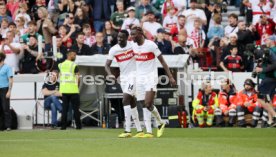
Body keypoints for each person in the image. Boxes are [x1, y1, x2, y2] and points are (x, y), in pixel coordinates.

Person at [130, 26, 176, 138]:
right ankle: (150, 131)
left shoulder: (151, 45)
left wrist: (170, 77)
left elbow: (163, 62)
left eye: (133, 34)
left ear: (140, 33)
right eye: (131, 34)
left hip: (151, 77)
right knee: (143, 104)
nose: (132, 37)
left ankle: (160, 123)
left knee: (148, 103)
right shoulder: (133, 46)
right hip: (139, 78)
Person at [105, 30, 143, 138]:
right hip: (123, 78)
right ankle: (139, 130)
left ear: (127, 38)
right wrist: (110, 74)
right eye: (118, 37)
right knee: (131, 102)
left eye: (122, 37)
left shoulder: (133, 46)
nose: (119, 39)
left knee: (125, 99)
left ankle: (127, 130)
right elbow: (107, 65)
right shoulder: (114, 49)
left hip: (134, 75)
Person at [255, 35, 276, 127]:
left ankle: (274, 116)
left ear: (272, 41)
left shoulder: (272, 51)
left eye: (266, 39)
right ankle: (271, 121)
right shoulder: (269, 51)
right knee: (268, 99)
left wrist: (262, 70)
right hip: (270, 77)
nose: (265, 41)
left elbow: (274, 64)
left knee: (260, 98)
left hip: (270, 77)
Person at [58, 49, 82, 130]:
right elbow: (78, 78)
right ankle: (78, 126)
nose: (75, 57)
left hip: (64, 90)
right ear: (69, 55)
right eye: (74, 55)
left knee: (65, 109)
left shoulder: (60, 65)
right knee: (76, 109)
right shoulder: (74, 65)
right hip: (73, 90)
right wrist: (77, 86)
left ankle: (63, 126)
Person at [0, 53, 13, 131]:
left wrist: (9, 91)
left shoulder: (7, 67)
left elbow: (10, 80)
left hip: (4, 89)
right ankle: (1, 126)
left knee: (5, 108)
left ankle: (8, 126)